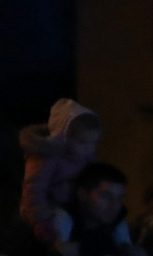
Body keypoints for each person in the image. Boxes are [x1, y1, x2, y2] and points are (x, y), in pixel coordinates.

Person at [19, 98, 102, 245]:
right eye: (83, 142)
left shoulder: (86, 156)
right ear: (62, 135)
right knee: (62, 222)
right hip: (50, 206)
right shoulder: (46, 156)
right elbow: (34, 188)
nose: (89, 148)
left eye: (94, 142)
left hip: (74, 204)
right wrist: (39, 219)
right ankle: (63, 253)